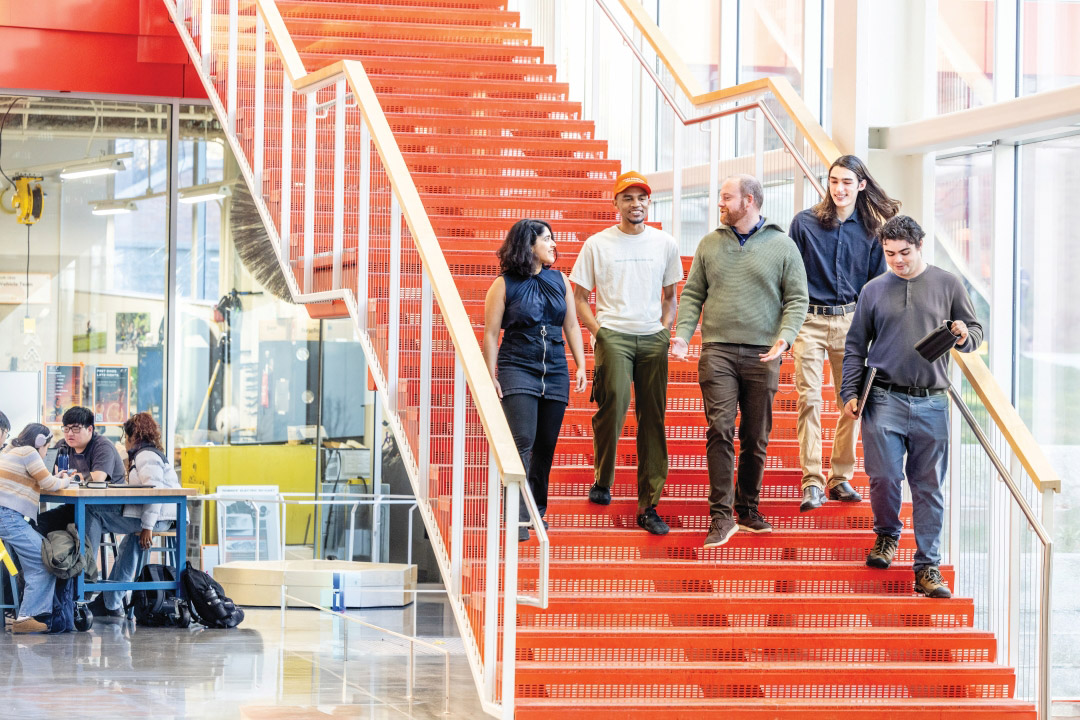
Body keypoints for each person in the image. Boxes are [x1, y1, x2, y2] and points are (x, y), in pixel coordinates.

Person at [841, 215, 982, 599]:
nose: (897, 260)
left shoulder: (947, 283)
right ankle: (886, 535)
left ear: (920, 247)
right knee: (884, 476)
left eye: (904, 252)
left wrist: (965, 334)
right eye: (890, 254)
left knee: (929, 486)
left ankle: (927, 567)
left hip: (932, 402)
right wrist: (849, 393)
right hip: (882, 398)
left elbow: (975, 333)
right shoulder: (872, 290)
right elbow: (855, 347)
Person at [672, 174, 808, 548]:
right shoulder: (709, 244)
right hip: (717, 350)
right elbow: (692, 294)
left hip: (764, 353)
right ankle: (720, 515)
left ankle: (747, 508)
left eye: (726, 197)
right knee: (719, 428)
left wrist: (786, 337)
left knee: (755, 435)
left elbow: (797, 299)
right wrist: (683, 334)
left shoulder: (783, 246)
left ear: (749, 201)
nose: (721, 203)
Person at [570, 171, 682, 535]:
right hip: (613, 334)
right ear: (616, 203)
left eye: (642, 198)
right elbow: (579, 298)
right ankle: (603, 478)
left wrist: (665, 330)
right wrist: (599, 333)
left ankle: (649, 505)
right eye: (628, 198)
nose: (636, 204)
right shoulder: (598, 244)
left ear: (649, 203)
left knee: (654, 420)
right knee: (613, 404)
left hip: (652, 337)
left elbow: (670, 296)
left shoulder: (664, 243)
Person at [789, 155, 900, 512]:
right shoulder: (804, 224)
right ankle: (811, 481)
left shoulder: (872, 230)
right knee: (808, 399)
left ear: (861, 185)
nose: (839, 189)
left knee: (851, 404)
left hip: (851, 324)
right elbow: (790, 278)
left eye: (847, 182)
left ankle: (839, 477)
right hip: (809, 320)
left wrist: (877, 333)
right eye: (834, 181)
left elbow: (875, 288)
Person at [484, 219, 588, 542]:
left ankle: (536, 511)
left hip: (555, 369)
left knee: (546, 445)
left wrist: (581, 364)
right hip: (517, 366)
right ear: (529, 245)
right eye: (547, 239)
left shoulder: (560, 281)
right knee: (523, 441)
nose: (554, 244)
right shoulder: (503, 285)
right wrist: (491, 374)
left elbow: (571, 326)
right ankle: (515, 514)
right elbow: (490, 334)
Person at [85, 412, 181, 618]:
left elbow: (154, 492)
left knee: (91, 511)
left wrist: (147, 527)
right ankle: (111, 603)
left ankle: (85, 578)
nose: (124, 442)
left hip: (158, 519)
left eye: (124, 437)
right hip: (161, 517)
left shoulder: (145, 455)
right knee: (130, 543)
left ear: (133, 436)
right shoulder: (148, 453)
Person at [0, 424, 72, 633]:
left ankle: (28, 615)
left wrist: (54, 479)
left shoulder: (11, 451)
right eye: (46, 447)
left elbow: (43, 480)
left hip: (7, 517)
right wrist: (66, 480)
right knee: (45, 558)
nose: (44, 453)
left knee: (37, 559)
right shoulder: (29, 452)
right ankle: (27, 617)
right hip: (8, 518)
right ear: (40, 443)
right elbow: (48, 484)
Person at [33, 406, 126, 536]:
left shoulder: (102, 446)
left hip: (108, 508)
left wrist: (69, 477)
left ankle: (84, 557)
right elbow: (48, 472)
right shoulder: (62, 445)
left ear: (90, 429)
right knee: (37, 524)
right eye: (66, 429)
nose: (69, 434)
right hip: (76, 506)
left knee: (86, 518)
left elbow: (99, 477)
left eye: (75, 429)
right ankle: (45, 556)